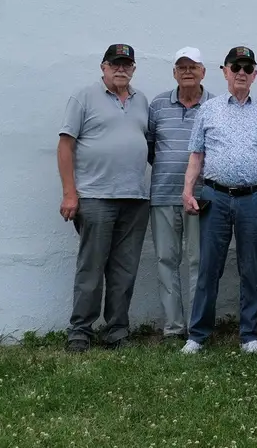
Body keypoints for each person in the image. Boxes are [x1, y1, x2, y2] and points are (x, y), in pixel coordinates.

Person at [181, 47, 257, 354]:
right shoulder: (209, 110)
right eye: (236, 67)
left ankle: (250, 335)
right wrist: (188, 191)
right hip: (214, 197)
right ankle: (198, 335)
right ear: (225, 71)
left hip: (254, 199)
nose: (241, 72)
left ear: (255, 74)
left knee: (252, 267)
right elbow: (197, 155)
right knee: (209, 267)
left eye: (247, 67)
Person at [57, 43, 152, 353]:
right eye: (115, 63)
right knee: (92, 267)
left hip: (135, 198)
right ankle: (80, 331)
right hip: (95, 197)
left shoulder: (141, 101)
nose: (121, 68)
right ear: (103, 67)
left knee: (124, 269)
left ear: (134, 68)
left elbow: (146, 145)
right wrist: (70, 193)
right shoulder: (84, 97)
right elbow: (65, 146)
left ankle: (117, 330)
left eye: (126, 64)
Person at [146, 47, 210, 343]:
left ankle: (196, 328)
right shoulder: (158, 105)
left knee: (198, 261)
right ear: (174, 72)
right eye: (181, 67)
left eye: (193, 67)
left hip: (202, 197)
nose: (187, 71)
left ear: (203, 72)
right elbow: (149, 148)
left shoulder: (214, 105)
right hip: (163, 195)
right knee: (165, 260)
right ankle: (174, 327)